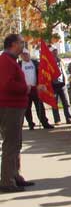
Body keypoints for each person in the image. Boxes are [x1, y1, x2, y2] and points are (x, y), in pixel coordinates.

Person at [0, 34, 37, 193]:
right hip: (10, 107)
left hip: (15, 107)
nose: (23, 45)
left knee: (16, 143)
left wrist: (33, 88)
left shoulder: (10, 61)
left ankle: (14, 175)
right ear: (13, 44)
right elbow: (7, 84)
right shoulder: (5, 61)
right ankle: (7, 180)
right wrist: (26, 88)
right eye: (21, 42)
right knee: (11, 144)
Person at [19, 49, 54, 129]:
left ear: (29, 54)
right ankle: (30, 123)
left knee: (40, 106)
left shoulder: (34, 63)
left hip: (36, 88)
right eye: (23, 55)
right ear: (21, 56)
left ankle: (45, 123)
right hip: (26, 89)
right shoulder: (19, 64)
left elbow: (42, 71)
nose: (25, 56)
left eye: (26, 54)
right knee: (27, 108)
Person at [50, 47, 71, 125]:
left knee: (66, 102)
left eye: (56, 51)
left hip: (62, 84)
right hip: (53, 85)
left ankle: (69, 118)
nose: (55, 52)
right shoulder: (48, 62)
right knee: (54, 104)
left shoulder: (60, 60)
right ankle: (57, 120)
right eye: (53, 51)